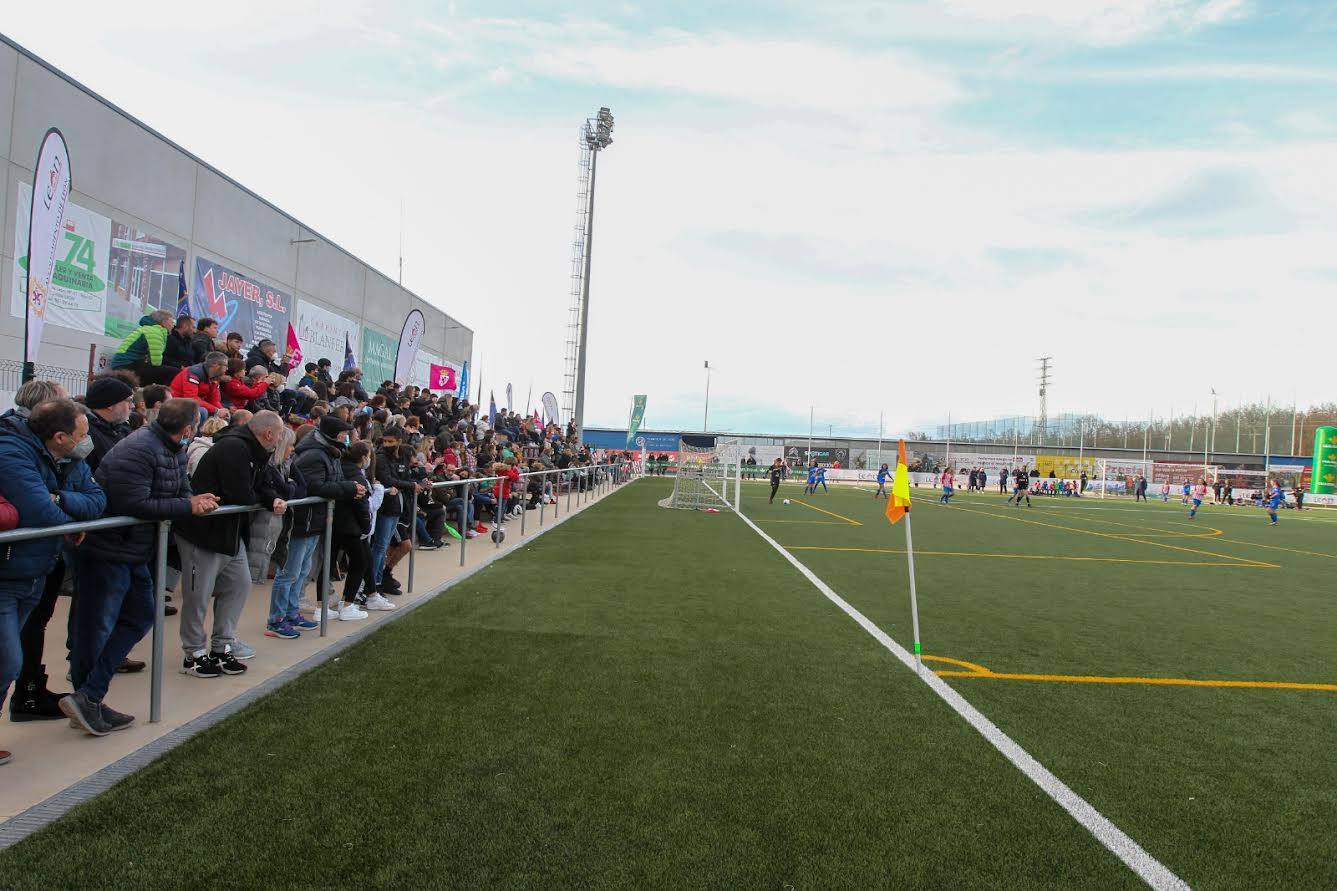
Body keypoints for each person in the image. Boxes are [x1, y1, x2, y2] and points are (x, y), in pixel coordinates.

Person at [62, 399, 218, 736]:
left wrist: (196, 500)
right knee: (95, 628)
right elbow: (133, 502)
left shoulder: (170, 446)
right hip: (109, 548)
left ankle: (89, 695)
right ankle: (88, 698)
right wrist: (187, 505)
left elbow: (179, 489)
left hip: (132, 549)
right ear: (189, 428)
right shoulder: (141, 448)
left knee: (142, 614)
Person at [0, 399, 107, 763]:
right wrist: (66, 519)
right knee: (9, 661)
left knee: (7, 660)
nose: (87, 440)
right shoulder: (12, 452)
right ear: (59, 436)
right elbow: (38, 511)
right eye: (81, 434)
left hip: (36, 571)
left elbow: (97, 501)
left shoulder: (69, 458)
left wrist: (60, 499)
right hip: (7, 572)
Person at [173, 411, 288, 677]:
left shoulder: (256, 452)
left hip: (230, 533)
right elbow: (243, 493)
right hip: (203, 533)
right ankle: (193, 654)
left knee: (239, 584)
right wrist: (263, 497)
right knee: (198, 595)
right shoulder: (234, 447)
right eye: (279, 433)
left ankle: (222, 645)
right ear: (268, 433)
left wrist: (271, 500)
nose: (280, 438)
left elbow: (262, 486)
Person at [281, 415, 365, 626]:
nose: (347, 439)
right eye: (345, 435)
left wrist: (350, 487)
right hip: (305, 519)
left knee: (302, 571)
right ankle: (280, 618)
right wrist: (350, 488)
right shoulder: (315, 455)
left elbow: (333, 481)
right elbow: (315, 487)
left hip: (315, 520)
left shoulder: (329, 453)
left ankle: (292, 614)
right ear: (336, 435)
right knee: (291, 573)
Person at [109, 310, 174, 385]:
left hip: (123, 364)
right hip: (126, 366)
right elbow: (156, 361)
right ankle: (160, 395)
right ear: (164, 321)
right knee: (173, 372)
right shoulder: (155, 331)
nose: (173, 326)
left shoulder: (148, 328)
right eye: (171, 322)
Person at [169, 351, 228, 421]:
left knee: (226, 415)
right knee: (202, 412)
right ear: (215, 364)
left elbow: (214, 400)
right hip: (178, 403)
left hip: (194, 404)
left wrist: (221, 410)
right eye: (225, 365)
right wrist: (216, 410)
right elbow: (191, 398)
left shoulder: (214, 377)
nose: (227, 369)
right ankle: (197, 432)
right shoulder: (193, 373)